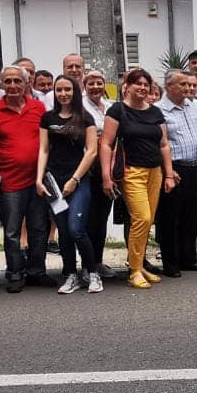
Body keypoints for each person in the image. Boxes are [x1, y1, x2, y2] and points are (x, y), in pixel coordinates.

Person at [100, 68, 175, 289]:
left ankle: (140, 265)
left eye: (146, 84)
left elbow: (164, 145)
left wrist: (169, 174)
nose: (142, 88)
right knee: (141, 218)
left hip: (155, 172)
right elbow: (106, 144)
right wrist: (106, 176)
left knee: (147, 221)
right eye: (138, 83)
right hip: (131, 172)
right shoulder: (117, 110)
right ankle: (134, 271)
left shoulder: (155, 112)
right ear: (128, 86)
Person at [0, 66, 51, 293]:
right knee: (12, 231)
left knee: (38, 228)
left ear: (26, 84)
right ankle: (14, 273)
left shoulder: (38, 108)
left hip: (37, 180)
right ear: (1, 83)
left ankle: (36, 271)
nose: (13, 85)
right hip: (9, 181)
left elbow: (46, 142)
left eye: (17, 81)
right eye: (8, 81)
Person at [38, 74, 101, 293]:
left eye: (67, 89)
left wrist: (75, 179)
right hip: (54, 182)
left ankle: (92, 273)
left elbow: (92, 152)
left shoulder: (85, 118)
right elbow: (44, 150)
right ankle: (71, 275)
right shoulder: (47, 118)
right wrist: (39, 179)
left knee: (76, 229)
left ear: (75, 92)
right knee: (64, 232)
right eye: (59, 90)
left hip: (79, 180)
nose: (63, 93)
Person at [154, 71, 197, 275]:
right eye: (182, 84)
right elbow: (159, 144)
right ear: (169, 86)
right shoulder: (159, 110)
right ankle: (171, 262)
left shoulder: (191, 106)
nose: (188, 88)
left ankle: (188, 258)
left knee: (191, 215)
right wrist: (167, 171)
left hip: (195, 167)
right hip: (174, 168)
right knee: (170, 217)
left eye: (188, 84)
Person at [82, 69, 116, 279]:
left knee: (102, 217)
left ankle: (98, 261)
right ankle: (87, 264)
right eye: (91, 83)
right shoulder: (80, 106)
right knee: (88, 218)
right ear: (84, 86)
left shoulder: (111, 106)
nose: (95, 87)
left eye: (99, 83)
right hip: (88, 167)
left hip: (108, 167)